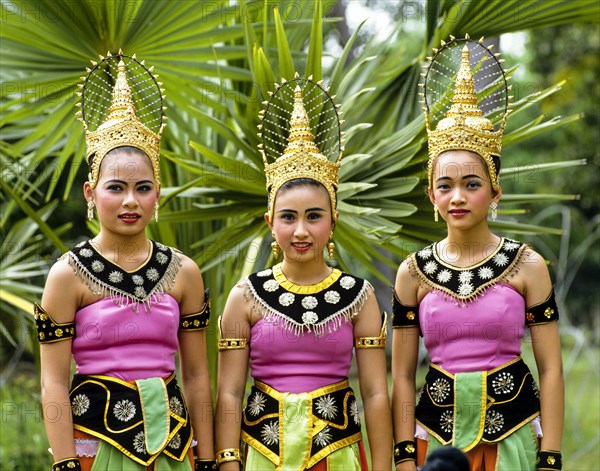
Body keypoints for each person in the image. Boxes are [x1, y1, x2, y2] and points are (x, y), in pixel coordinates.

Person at [35, 51, 215, 471]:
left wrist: (207, 458)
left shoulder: (183, 272)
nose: (131, 201)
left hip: (174, 447)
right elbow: (53, 381)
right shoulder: (67, 274)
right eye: (116, 188)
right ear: (90, 194)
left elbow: (197, 376)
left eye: (143, 188)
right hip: (92, 446)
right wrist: (64, 462)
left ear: (158, 194)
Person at [391, 35, 564, 471]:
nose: (458, 197)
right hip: (434, 435)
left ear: (495, 191)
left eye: (472, 184)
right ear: (431, 194)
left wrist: (551, 457)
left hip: (515, 433)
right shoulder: (413, 273)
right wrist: (406, 457)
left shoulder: (527, 265)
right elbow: (400, 375)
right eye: (445, 186)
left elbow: (552, 369)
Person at [215, 78, 392, 470]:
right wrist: (228, 462)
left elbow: (376, 393)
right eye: (288, 217)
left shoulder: (358, 296)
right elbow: (228, 394)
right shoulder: (245, 296)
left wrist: (382, 467)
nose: (300, 231)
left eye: (314, 216)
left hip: (339, 454)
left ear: (333, 221)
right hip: (262, 454)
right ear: (269, 223)